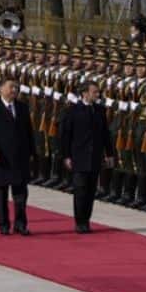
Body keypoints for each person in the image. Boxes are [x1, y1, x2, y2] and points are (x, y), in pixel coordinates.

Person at [0, 77, 36, 236]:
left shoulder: (22, 108)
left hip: (20, 157)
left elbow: (28, 132)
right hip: (1, 157)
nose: (14, 90)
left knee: (21, 193)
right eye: (11, 87)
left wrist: (32, 152)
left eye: (16, 87)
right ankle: (3, 224)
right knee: (2, 193)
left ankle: (20, 223)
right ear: (1, 89)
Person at [59, 80, 114, 233]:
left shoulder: (99, 110)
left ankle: (86, 220)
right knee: (80, 190)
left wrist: (109, 153)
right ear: (84, 93)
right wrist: (66, 156)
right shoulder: (73, 111)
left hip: (95, 156)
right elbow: (66, 136)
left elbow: (105, 134)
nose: (97, 95)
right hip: (79, 156)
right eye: (94, 92)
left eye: (98, 92)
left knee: (90, 191)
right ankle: (79, 221)